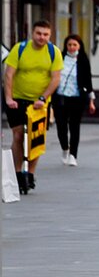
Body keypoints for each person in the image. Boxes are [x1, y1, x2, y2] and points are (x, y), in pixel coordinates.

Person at [5, 20, 62, 193]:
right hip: (17, 99)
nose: (41, 37)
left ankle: (30, 173)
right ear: (32, 33)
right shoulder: (19, 49)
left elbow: (55, 78)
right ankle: (17, 172)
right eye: (39, 33)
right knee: (18, 136)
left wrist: (43, 98)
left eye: (45, 34)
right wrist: (8, 98)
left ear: (50, 36)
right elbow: (8, 74)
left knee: (35, 139)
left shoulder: (54, 52)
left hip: (39, 102)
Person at [51, 34, 95, 167]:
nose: (71, 47)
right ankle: (65, 148)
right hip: (60, 98)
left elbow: (88, 81)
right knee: (61, 126)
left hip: (77, 98)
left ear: (79, 46)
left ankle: (73, 155)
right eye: (69, 45)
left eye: (74, 45)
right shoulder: (60, 58)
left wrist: (91, 101)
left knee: (75, 127)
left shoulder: (83, 60)